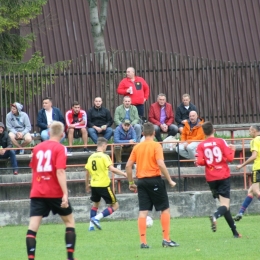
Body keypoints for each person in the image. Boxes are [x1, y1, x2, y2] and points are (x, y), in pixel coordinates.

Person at [26, 121, 76, 260]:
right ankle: (70, 257)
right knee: (69, 222)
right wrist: (65, 193)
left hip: (37, 191)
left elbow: (34, 169)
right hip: (54, 192)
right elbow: (60, 171)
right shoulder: (60, 148)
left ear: (48, 133)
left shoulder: (37, 148)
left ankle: (31, 258)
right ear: (62, 134)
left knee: (33, 228)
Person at [125, 122, 179, 249]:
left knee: (143, 211)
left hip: (141, 182)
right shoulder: (156, 145)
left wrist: (131, 182)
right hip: (154, 180)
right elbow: (160, 163)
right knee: (164, 208)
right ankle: (166, 239)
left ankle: (143, 242)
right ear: (154, 133)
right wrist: (170, 180)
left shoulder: (137, 147)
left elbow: (128, 166)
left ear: (142, 133)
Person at [196, 121, 241, 238]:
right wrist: (233, 149)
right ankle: (215, 215)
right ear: (213, 130)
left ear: (203, 132)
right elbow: (230, 158)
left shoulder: (201, 145)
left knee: (224, 206)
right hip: (223, 175)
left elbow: (199, 161)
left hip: (211, 178)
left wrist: (209, 162)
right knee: (225, 205)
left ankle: (235, 233)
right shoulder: (220, 141)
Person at [85, 137, 127, 231]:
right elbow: (112, 169)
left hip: (94, 185)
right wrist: (124, 173)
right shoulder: (105, 156)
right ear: (103, 145)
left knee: (95, 204)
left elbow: (87, 172)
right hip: (103, 185)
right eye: (106, 146)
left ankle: (91, 227)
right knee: (115, 206)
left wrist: (87, 184)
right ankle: (96, 218)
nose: (106, 148)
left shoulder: (91, 157)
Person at [233, 125, 260, 222]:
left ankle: (240, 213)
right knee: (251, 191)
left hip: (258, 168)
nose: (249, 133)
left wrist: (242, 165)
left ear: (253, 131)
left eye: (249, 131)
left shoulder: (255, 141)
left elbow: (254, 156)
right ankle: (240, 212)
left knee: (256, 191)